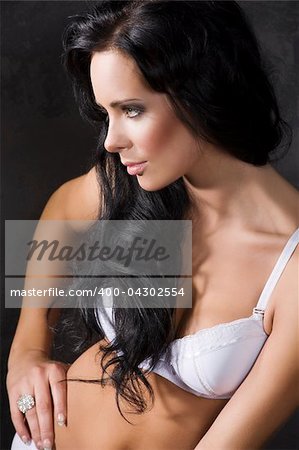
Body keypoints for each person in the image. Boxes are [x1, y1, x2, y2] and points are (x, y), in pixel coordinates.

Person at [7, 1, 298, 449]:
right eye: (108, 113)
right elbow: (63, 211)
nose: (111, 140)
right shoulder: (142, 185)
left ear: (202, 91)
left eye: (133, 110)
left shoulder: (289, 267)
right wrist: (27, 347)